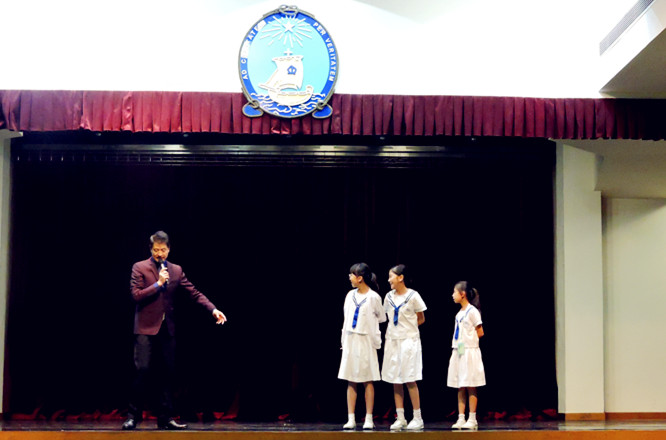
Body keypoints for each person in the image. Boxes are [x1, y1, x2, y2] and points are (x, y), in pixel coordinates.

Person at [122, 231, 227, 431]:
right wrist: (158, 284)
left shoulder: (176, 270)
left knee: (167, 373)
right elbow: (136, 295)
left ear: (169, 249)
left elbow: (194, 293)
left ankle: (165, 418)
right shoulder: (140, 267)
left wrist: (213, 309)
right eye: (156, 250)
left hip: (166, 329)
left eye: (163, 250)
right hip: (145, 328)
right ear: (151, 249)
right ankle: (132, 417)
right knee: (142, 370)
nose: (159, 253)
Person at [338, 263, 386, 430]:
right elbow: (346, 318)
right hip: (351, 339)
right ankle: (351, 418)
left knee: (367, 379)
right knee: (351, 379)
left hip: (366, 340)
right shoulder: (349, 295)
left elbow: (382, 318)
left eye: (352, 275)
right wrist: (344, 340)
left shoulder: (374, 297)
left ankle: (369, 418)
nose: (349, 277)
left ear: (360, 278)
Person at [381, 264, 427, 431]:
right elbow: (386, 317)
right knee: (395, 379)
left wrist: (408, 330)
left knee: (410, 378)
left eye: (391, 276)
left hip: (408, 341)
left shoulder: (413, 296)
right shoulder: (388, 297)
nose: (389, 280)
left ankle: (417, 417)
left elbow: (421, 318)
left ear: (401, 278)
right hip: (392, 340)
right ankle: (400, 417)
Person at [447, 281, 485, 430]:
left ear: (462, 294)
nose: (452, 295)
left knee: (470, 384)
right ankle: (461, 417)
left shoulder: (472, 311)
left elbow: (480, 332)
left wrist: (469, 342)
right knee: (460, 385)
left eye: (454, 292)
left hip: (469, 351)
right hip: (459, 350)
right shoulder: (459, 313)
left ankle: (472, 418)